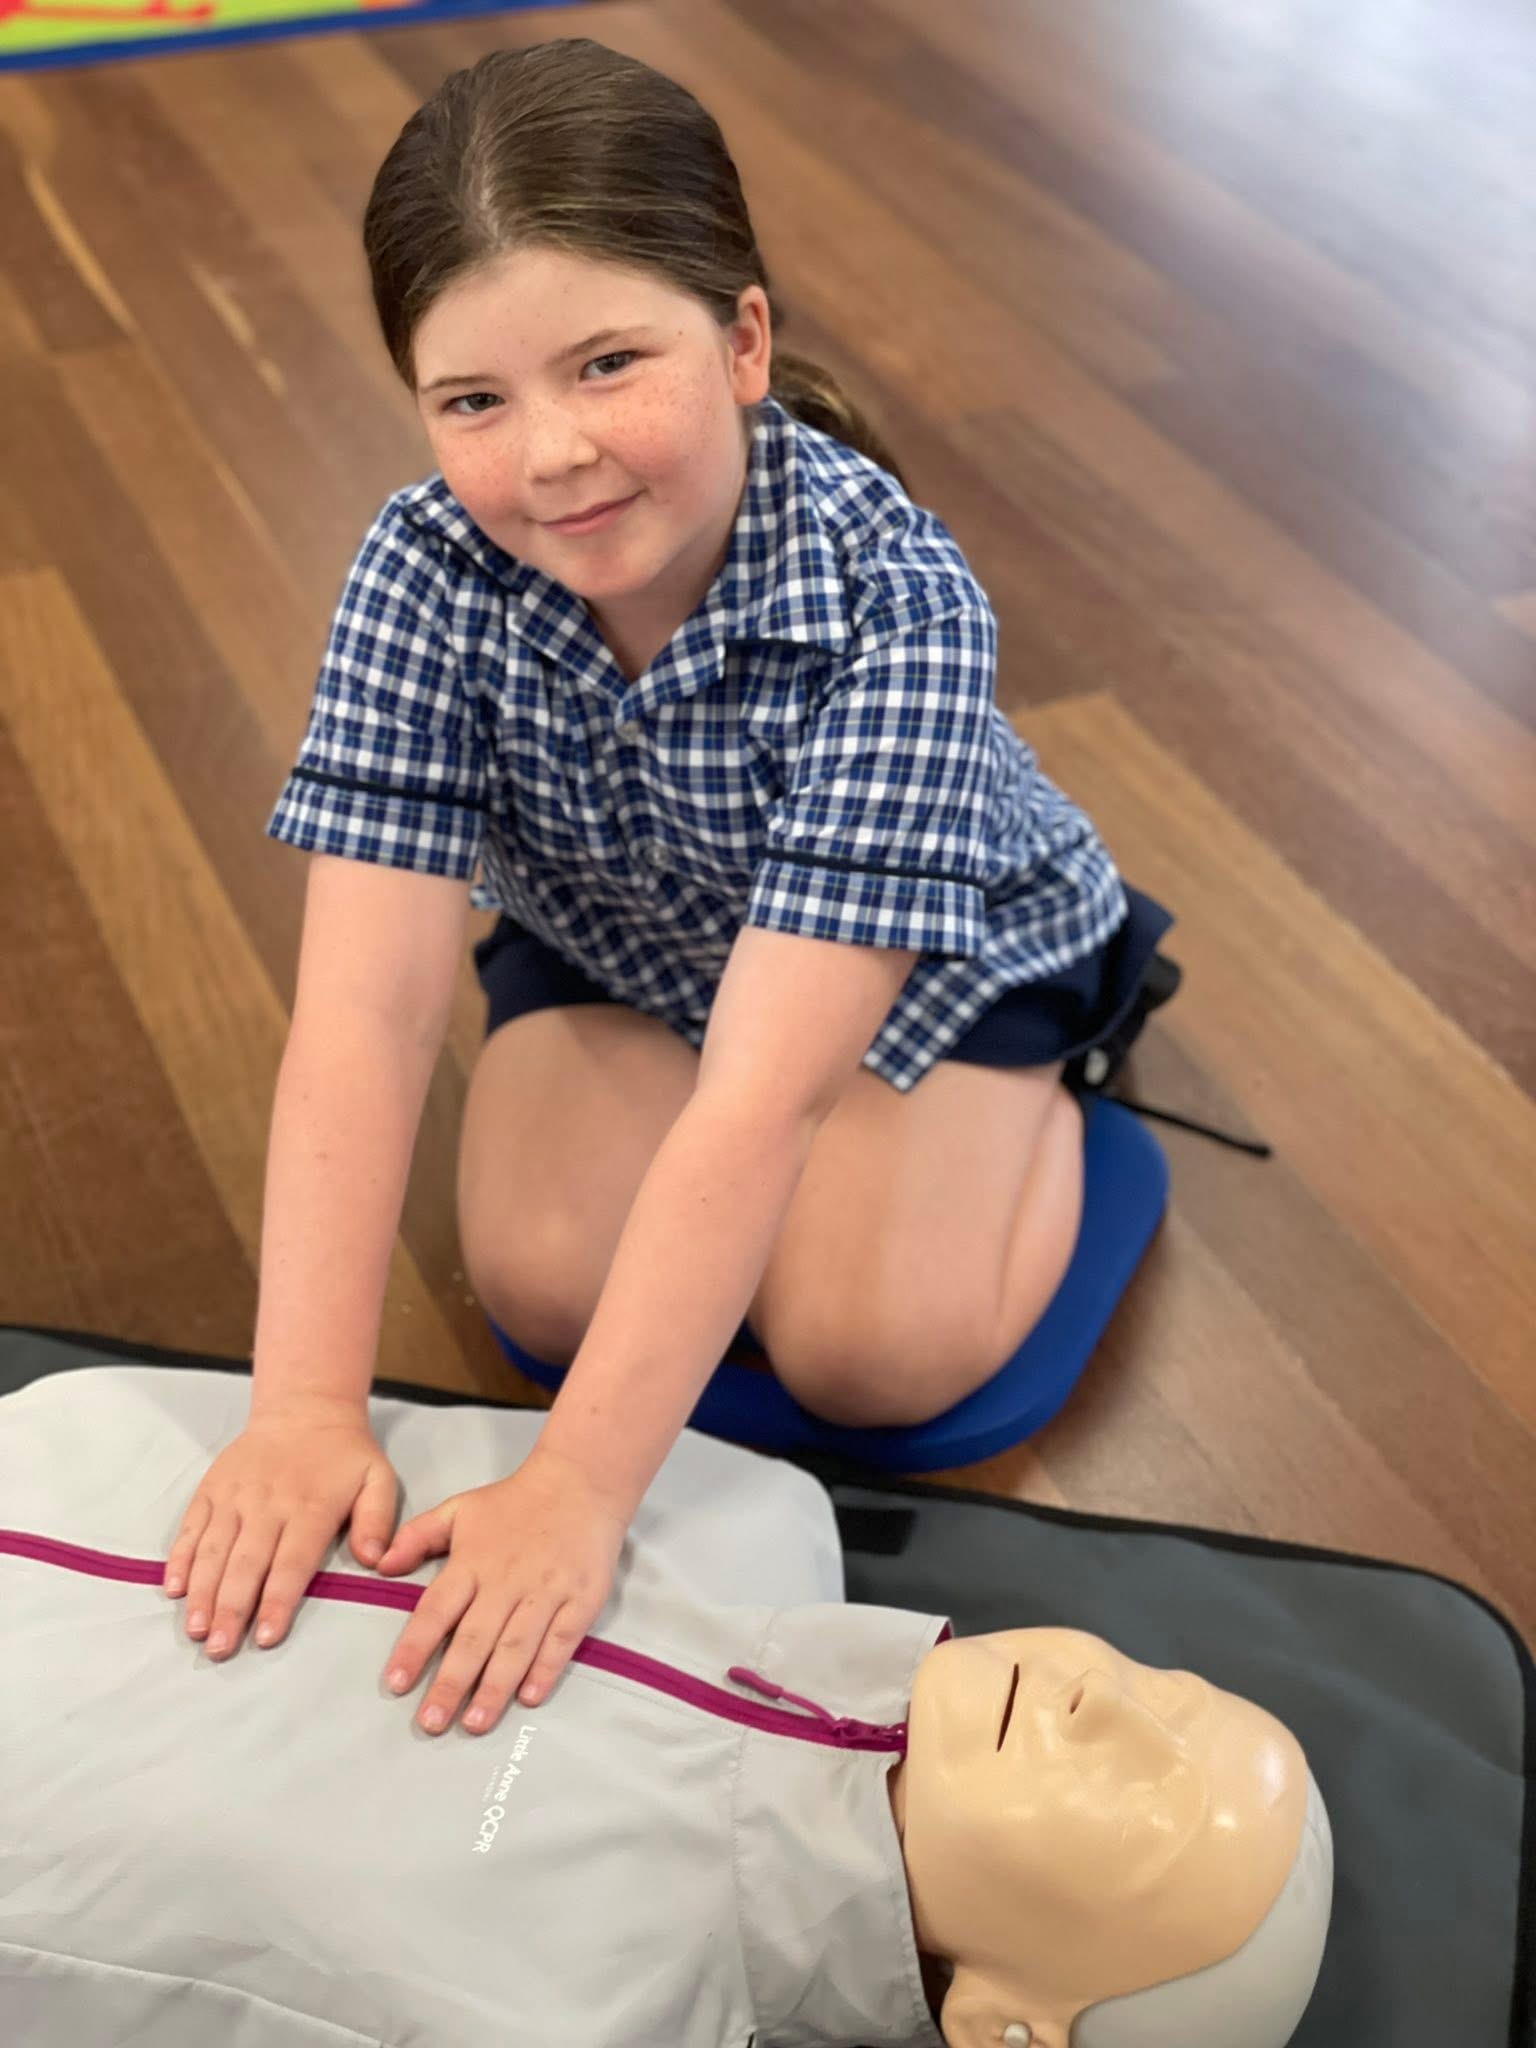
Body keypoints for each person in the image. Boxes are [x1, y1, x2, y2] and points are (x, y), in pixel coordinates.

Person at [164, 37, 1179, 1746]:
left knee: (874, 1349)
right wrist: (300, 1407)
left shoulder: (898, 603)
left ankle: (1062, 1096)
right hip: (629, 937)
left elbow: (767, 1098)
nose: (550, 453)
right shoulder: (424, 570)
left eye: (609, 362)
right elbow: (365, 1007)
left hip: (927, 972)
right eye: (472, 401)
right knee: (545, 1283)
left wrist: (576, 1489)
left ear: (746, 341)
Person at [2, 1362, 1332, 2048]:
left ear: (1001, 2028)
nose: (1110, 1701)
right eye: (1179, 1693)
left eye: (1141, 1801)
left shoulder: (588, 2015)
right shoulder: (753, 1511)